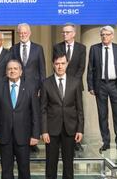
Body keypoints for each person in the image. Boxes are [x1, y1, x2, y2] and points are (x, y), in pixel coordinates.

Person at [0, 59, 40, 179]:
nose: (12, 71)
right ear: (6, 72)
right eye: (9, 69)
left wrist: (35, 135)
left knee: (24, 170)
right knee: (6, 171)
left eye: (15, 68)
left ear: (21, 71)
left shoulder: (30, 87)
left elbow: (35, 112)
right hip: (4, 136)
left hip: (23, 136)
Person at [87, 25, 117, 152]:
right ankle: (105, 142)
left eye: (107, 34)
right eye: (102, 35)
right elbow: (90, 69)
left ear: (112, 36)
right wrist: (90, 86)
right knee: (102, 115)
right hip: (100, 85)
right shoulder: (94, 49)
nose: (104, 37)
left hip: (116, 85)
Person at [41, 51, 84, 179]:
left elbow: (79, 108)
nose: (60, 66)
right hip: (51, 129)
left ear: (67, 64)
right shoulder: (46, 83)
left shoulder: (75, 82)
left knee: (68, 165)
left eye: (62, 63)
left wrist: (80, 129)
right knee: (50, 165)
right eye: (57, 63)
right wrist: (44, 131)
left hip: (70, 128)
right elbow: (42, 109)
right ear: (53, 64)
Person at [52, 23, 86, 151]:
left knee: (76, 111)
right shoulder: (57, 47)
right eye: (63, 32)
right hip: (60, 84)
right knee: (61, 110)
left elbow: (81, 67)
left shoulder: (81, 48)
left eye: (67, 32)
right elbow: (56, 65)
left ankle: (76, 140)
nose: (64, 34)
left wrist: (73, 83)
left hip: (75, 85)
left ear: (74, 33)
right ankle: (61, 140)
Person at [10, 23, 46, 92]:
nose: (23, 35)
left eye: (25, 33)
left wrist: (42, 88)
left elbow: (42, 70)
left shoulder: (38, 48)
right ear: (18, 34)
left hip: (35, 86)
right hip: (18, 86)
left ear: (29, 33)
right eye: (20, 33)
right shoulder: (13, 49)